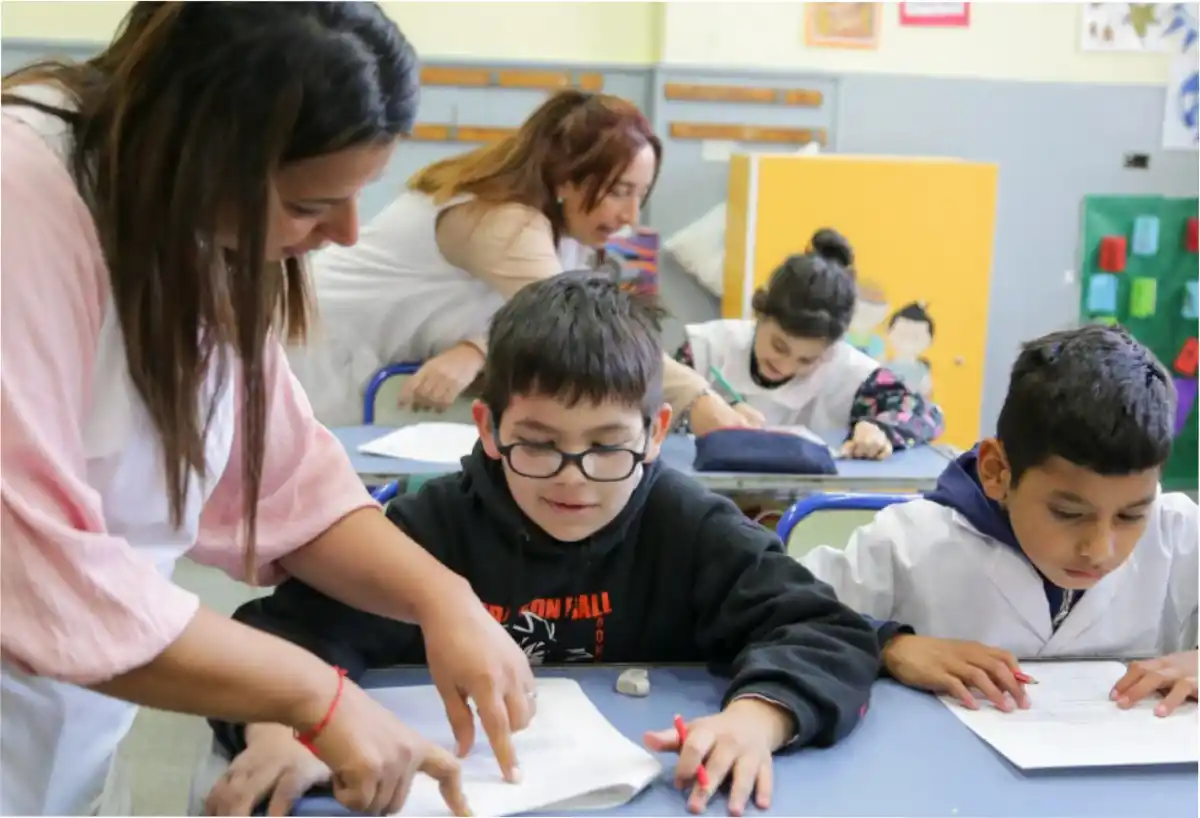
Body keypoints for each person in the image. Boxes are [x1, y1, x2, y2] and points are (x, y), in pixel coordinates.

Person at [0, 5, 535, 815]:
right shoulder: (23, 205)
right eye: (310, 204)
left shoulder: (191, 228)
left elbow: (285, 484)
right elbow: (37, 572)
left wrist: (443, 598)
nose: (348, 234)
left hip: (61, 733)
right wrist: (316, 698)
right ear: (201, 150)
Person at [203, 273, 884, 817]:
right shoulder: (430, 531)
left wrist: (757, 720)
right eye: (538, 443)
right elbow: (275, 642)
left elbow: (824, 629)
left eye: (606, 446)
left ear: (655, 432)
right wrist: (283, 732)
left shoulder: (687, 525)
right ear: (490, 428)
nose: (572, 476)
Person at [286, 89, 747, 434]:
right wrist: (702, 404)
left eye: (640, 195)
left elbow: (543, 317)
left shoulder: (567, 232)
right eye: (620, 191)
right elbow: (584, 332)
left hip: (365, 369)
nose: (629, 215)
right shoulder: (505, 222)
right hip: (313, 351)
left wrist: (474, 348)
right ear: (567, 177)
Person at [803, 326, 1199, 715]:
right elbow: (788, 615)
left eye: (1131, 515)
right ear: (997, 472)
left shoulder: (1178, 533)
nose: (1099, 550)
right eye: (1068, 513)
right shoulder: (907, 543)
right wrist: (888, 646)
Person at [676, 228, 944, 460]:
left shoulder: (854, 374)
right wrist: (701, 410)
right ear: (761, 313)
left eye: (808, 360)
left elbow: (926, 415)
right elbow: (648, 410)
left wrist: (879, 428)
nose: (785, 365)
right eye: (779, 346)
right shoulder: (705, 349)